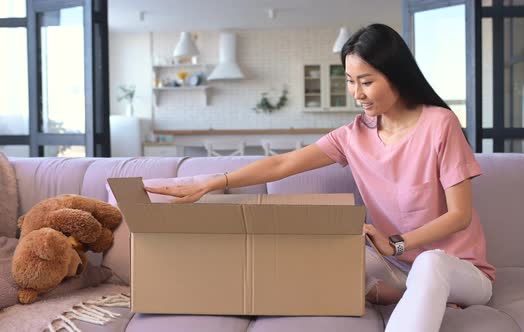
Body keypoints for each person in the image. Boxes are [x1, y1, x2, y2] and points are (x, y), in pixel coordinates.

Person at [146, 23, 495, 332]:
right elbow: (283, 164)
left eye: (367, 81)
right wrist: (212, 182)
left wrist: (398, 242)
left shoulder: (439, 124)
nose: (357, 93)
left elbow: (459, 215)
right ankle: (405, 293)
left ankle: (415, 294)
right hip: (394, 265)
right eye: (350, 82)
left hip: (459, 270)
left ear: (396, 76)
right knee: (313, 254)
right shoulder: (353, 136)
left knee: (431, 264)